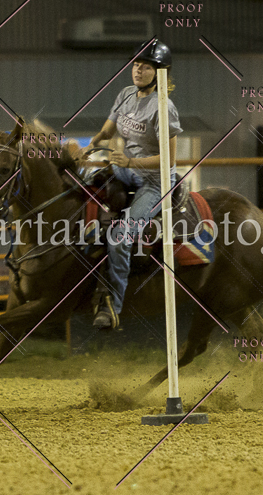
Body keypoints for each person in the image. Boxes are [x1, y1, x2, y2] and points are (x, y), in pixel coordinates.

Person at [84, 39, 182, 329]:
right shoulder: (126, 94)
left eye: (146, 66)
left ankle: (113, 307)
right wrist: (92, 144)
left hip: (155, 181)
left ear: (160, 73)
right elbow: (108, 130)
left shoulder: (164, 108)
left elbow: (169, 160)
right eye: (136, 65)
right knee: (82, 191)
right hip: (124, 169)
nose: (138, 70)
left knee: (120, 237)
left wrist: (129, 162)